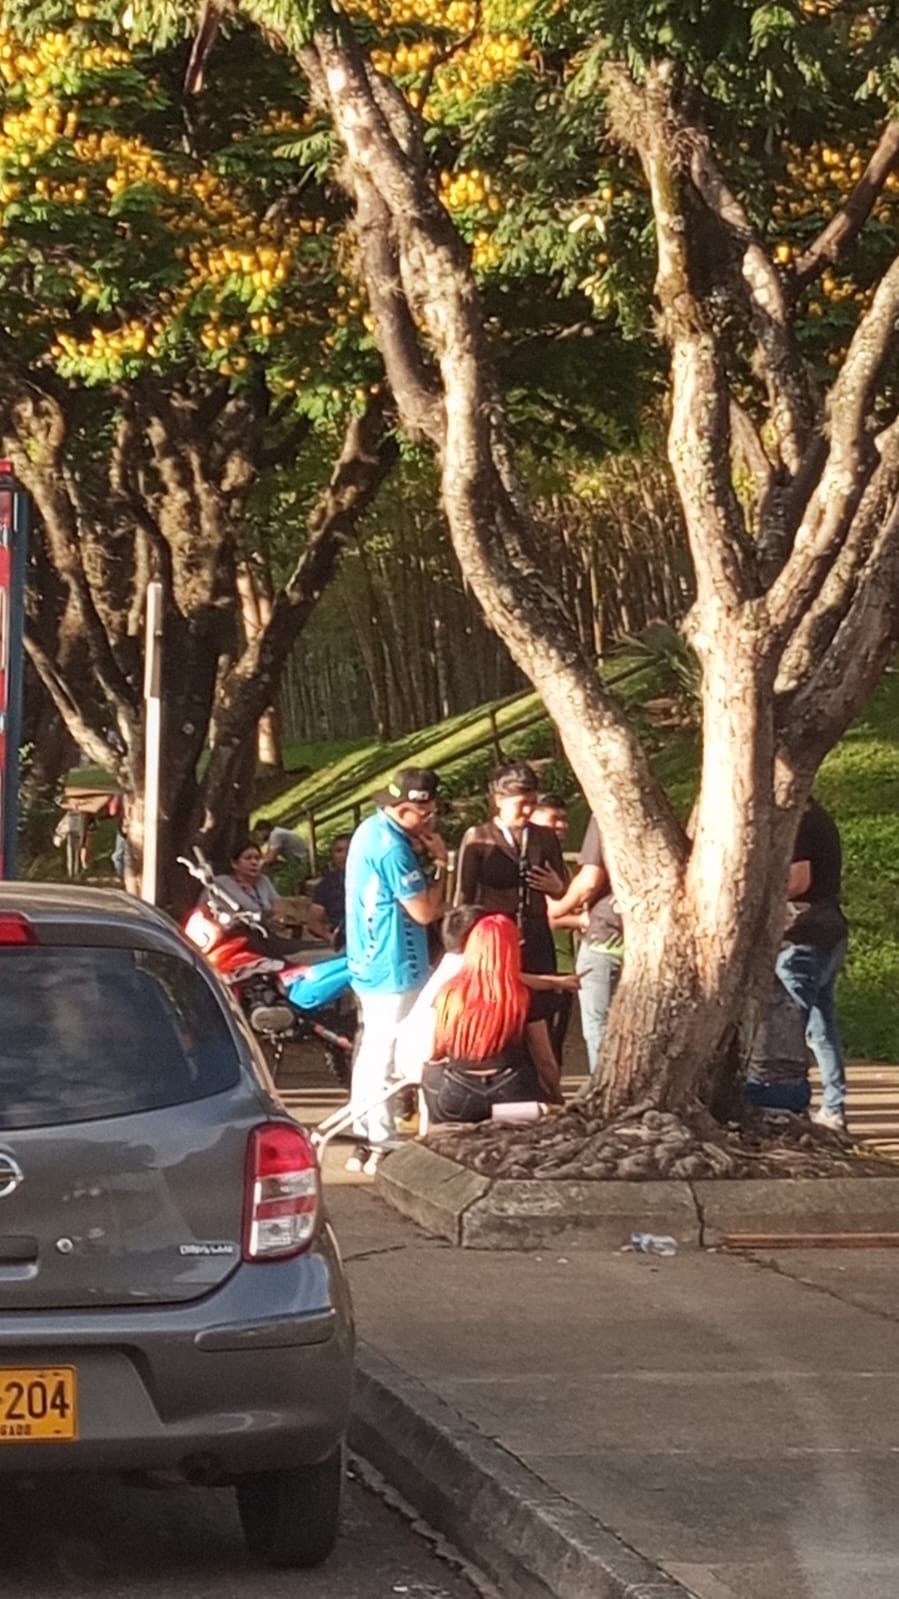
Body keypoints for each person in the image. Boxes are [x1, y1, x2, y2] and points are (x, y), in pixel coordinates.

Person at [344, 768, 448, 1174]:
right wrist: (442, 864)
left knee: (372, 1049)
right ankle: (382, 1141)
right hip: (395, 959)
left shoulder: (369, 831)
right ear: (404, 809)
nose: (430, 820)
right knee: (390, 1053)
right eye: (426, 813)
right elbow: (424, 911)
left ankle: (364, 1134)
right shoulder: (393, 849)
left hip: (366, 955)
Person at [455, 762, 568, 1099]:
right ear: (499, 801)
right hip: (495, 943)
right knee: (504, 1011)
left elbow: (562, 886)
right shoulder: (478, 838)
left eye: (533, 802)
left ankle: (548, 1088)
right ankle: (508, 1085)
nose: (528, 811)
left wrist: (557, 886)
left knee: (544, 1013)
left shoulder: (544, 837)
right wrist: (463, 946)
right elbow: (464, 897)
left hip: (536, 936)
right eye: (522, 803)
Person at [421, 914, 543, 1125]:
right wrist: (554, 1096)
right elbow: (545, 1060)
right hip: (514, 1094)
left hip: (456, 1097)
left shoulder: (449, 993)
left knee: (432, 1072)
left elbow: (435, 1052)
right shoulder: (522, 995)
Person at [775, 796, 849, 1133]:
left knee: (789, 1025)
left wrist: (758, 891)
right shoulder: (818, 816)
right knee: (820, 1027)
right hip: (828, 930)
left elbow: (798, 880)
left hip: (801, 935)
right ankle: (833, 1107)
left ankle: (790, 1106)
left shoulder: (800, 821)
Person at [549, 813, 623, 1076]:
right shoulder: (657, 815)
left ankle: (604, 1084)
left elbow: (590, 879)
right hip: (642, 941)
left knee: (598, 1026)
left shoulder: (604, 814)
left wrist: (558, 908)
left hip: (605, 938)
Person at [306, 834, 350, 947]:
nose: (345, 855)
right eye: (339, 851)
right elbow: (313, 921)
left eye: (349, 849)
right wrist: (330, 937)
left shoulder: (374, 879)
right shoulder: (326, 885)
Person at [53, 807, 89, 880]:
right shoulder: (71, 814)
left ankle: (73, 873)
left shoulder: (70, 814)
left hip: (77, 829)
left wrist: (59, 834)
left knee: (74, 852)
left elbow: (62, 826)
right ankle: (73, 873)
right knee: (74, 852)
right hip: (77, 829)